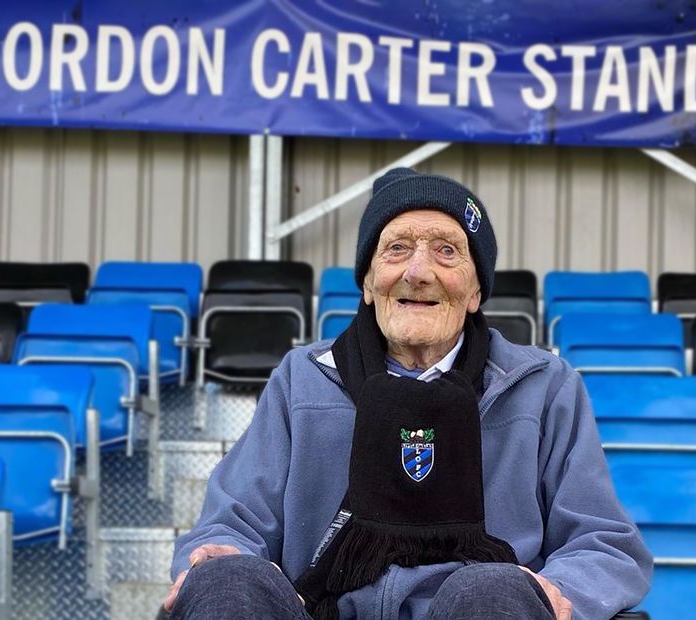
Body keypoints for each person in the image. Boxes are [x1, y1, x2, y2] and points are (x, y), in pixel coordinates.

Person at [164, 167, 652, 620]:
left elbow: (603, 543)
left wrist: (556, 588)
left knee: (491, 592)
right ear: (369, 284)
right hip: (321, 609)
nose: (417, 272)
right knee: (226, 579)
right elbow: (232, 522)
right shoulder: (303, 378)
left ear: (477, 289)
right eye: (396, 248)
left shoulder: (545, 386)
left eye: (446, 250)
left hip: (475, 611)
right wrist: (219, 555)